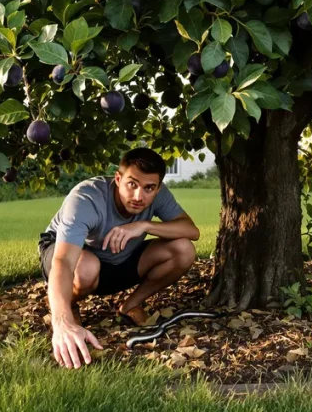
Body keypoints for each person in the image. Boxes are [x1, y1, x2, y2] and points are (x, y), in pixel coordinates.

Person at [39, 147, 199, 369]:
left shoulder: (158, 195)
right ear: (118, 178)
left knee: (184, 249)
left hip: (118, 257)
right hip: (69, 254)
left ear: (157, 188)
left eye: (149, 188)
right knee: (86, 267)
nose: (138, 196)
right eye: (132, 184)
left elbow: (192, 231)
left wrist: (144, 225)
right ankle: (67, 306)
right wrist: (60, 322)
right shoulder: (86, 199)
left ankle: (130, 306)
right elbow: (64, 262)